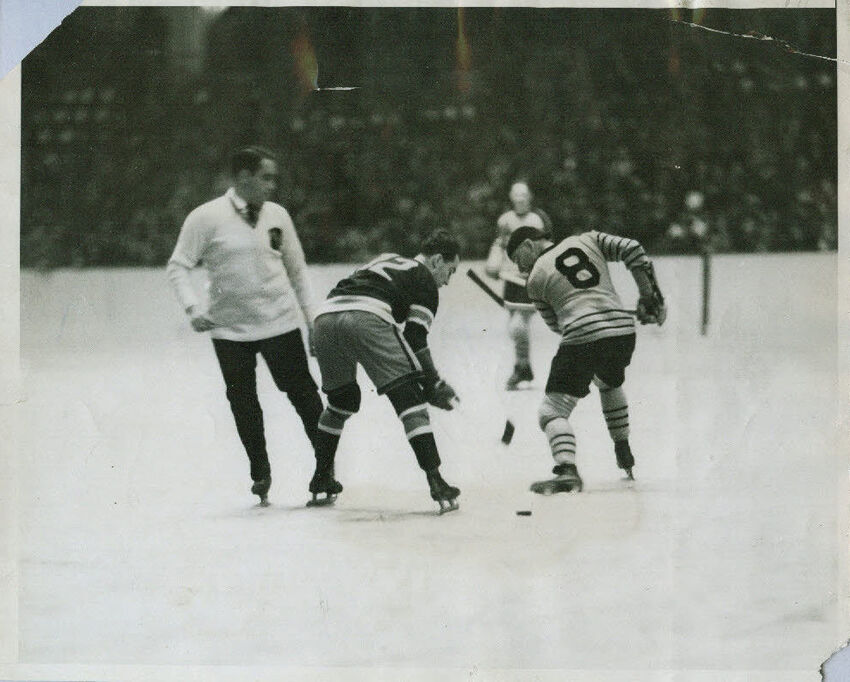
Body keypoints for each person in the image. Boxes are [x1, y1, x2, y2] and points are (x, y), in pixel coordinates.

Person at [166, 146, 323, 505]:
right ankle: (260, 472)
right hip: (230, 330)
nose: (272, 185)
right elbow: (178, 265)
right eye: (266, 177)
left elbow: (297, 270)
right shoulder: (206, 218)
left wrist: (312, 320)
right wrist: (193, 308)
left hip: (279, 322)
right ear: (243, 177)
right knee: (243, 402)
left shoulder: (278, 216)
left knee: (304, 396)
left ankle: (326, 467)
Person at [309, 230, 462, 513]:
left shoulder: (386, 258)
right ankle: (436, 481)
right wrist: (433, 383)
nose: (447, 281)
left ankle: (321, 477)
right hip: (367, 317)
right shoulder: (425, 278)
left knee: (341, 403)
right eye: (450, 271)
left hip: (325, 318)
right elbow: (416, 339)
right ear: (437, 260)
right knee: (410, 402)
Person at [504, 226, 666, 493]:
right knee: (609, 383)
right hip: (622, 332)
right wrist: (649, 297)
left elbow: (558, 326)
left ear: (528, 246)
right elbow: (634, 248)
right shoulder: (588, 239)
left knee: (551, 411)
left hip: (583, 336)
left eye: (518, 259)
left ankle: (567, 470)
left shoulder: (534, 280)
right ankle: (623, 451)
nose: (521, 268)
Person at [485, 181, 553, 390]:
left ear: (530, 197)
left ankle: (521, 367)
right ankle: (523, 367)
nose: (521, 198)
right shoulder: (505, 220)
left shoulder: (536, 220)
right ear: (511, 197)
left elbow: (545, 246)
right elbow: (500, 243)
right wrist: (493, 262)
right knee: (515, 326)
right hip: (511, 280)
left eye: (524, 194)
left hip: (528, 280)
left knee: (518, 325)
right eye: (517, 194)